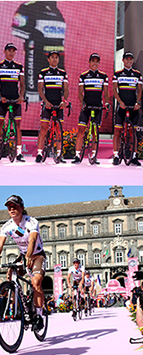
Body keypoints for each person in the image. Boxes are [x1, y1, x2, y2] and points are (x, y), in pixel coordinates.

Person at [0, 195, 45, 330]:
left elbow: (32, 240)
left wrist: (30, 255)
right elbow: (0, 244)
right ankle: (20, 304)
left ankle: (38, 315)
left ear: (22, 208)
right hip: (23, 255)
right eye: (9, 207)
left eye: (15, 206)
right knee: (10, 275)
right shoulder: (7, 226)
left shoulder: (31, 222)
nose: (12, 209)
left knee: (36, 282)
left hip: (36, 254)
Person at [72, 53, 109, 164]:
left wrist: (106, 103)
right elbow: (80, 92)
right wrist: (82, 103)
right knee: (81, 131)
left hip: (98, 107)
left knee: (94, 133)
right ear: (89, 62)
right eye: (93, 61)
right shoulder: (83, 76)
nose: (95, 63)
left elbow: (106, 93)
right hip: (87, 107)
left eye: (97, 61)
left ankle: (94, 155)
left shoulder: (104, 76)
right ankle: (77, 155)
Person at [36, 51, 69, 163]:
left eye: (56, 58)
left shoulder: (62, 73)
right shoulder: (43, 73)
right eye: (52, 57)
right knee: (44, 129)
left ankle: (59, 154)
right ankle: (39, 153)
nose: (55, 59)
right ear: (48, 59)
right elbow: (40, 89)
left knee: (59, 131)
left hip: (58, 105)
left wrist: (64, 101)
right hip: (47, 104)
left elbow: (66, 89)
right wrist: (46, 102)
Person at [112, 51, 142, 166]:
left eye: (131, 59)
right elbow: (115, 90)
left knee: (133, 132)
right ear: (123, 60)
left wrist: (138, 102)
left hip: (133, 106)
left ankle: (134, 156)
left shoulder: (137, 74)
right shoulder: (117, 74)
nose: (129, 61)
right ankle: (115, 155)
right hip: (121, 106)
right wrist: (120, 102)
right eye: (127, 59)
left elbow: (139, 90)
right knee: (117, 131)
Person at [0, 43, 25, 161]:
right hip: (2, 100)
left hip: (15, 100)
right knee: (0, 124)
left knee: (18, 126)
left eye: (13, 51)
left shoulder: (19, 66)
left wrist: (21, 96)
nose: (11, 53)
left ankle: (19, 153)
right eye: (9, 50)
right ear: (4, 52)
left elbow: (23, 84)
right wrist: (0, 97)